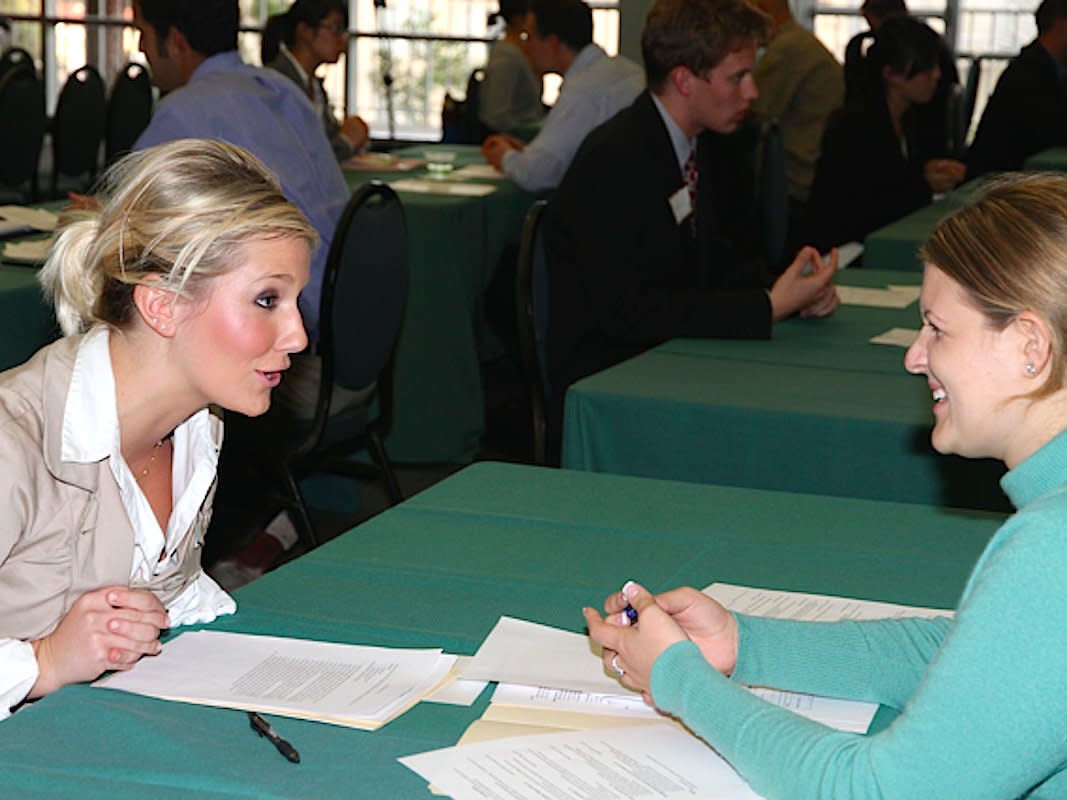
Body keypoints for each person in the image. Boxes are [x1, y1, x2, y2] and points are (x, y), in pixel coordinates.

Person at [587, 171, 1067, 798]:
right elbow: (973, 655)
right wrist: (745, 644)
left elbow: (876, 792)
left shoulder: (1050, 546)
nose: (914, 357)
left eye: (937, 329)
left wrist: (679, 680)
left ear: (1030, 344)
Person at [0, 138, 314, 721]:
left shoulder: (198, 429)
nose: (297, 335)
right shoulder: (12, 443)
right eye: (267, 299)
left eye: (295, 300)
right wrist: (42, 661)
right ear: (162, 306)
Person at [543, 0, 839, 461]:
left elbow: (708, 260)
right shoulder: (615, 160)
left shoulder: (695, 144)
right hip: (611, 384)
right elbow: (627, 313)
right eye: (736, 77)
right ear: (684, 80)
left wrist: (784, 290)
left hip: (663, 357)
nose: (753, 92)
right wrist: (764, 307)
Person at [131, 0, 348, 341]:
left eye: (141, 32)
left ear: (175, 41)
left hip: (286, 340)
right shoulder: (283, 91)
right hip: (350, 314)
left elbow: (128, 223)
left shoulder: (184, 112)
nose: (141, 47)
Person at [802, 16, 965, 250]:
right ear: (891, 74)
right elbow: (859, 209)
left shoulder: (908, 117)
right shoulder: (853, 127)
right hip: (843, 250)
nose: (937, 75)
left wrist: (926, 171)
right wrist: (924, 185)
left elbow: (894, 181)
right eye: (926, 67)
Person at [480, 0, 644, 192]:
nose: (525, 48)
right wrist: (529, 153)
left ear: (553, 43)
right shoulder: (625, 70)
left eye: (529, 37)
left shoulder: (583, 91)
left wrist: (504, 156)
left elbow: (536, 175)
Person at [749, 0, 843, 220]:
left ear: (764, 11)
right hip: (813, 170)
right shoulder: (801, 42)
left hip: (796, 178)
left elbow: (752, 110)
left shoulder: (788, 48)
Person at [844, 0, 959, 157]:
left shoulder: (904, 119)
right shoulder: (860, 134)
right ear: (891, 74)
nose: (937, 74)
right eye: (929, 68)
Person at [966, 0, 1067, 178]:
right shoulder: (1028, 73)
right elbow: (1052, 133)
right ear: (1061, 23)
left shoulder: (1050, 67)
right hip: (1004, 184)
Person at [264, 0, 370, 161]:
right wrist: (346, 141)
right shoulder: (276, 83)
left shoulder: (313, 84)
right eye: (335, 29)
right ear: (304, 31)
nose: (342, 41)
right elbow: (298, 158)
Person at [479, 0, 545, 135]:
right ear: (519, 19)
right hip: (516, 140)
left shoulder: (524, 51)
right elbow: (496, 116)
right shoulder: (506, 58)